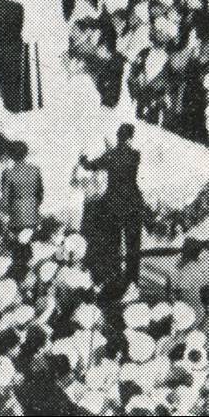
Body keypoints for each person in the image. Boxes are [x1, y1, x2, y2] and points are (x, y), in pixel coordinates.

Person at [80, 125, 144, 294]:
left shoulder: (110, 156)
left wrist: (83, 158)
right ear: (131, 138)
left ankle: (114, 278)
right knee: (133, 244)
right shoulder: (135, 155)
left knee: (113, 242)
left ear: (118, 136)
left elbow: (90, 166)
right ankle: (133, 281)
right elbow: (124, 158)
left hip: (113, 202)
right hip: (133, 201)